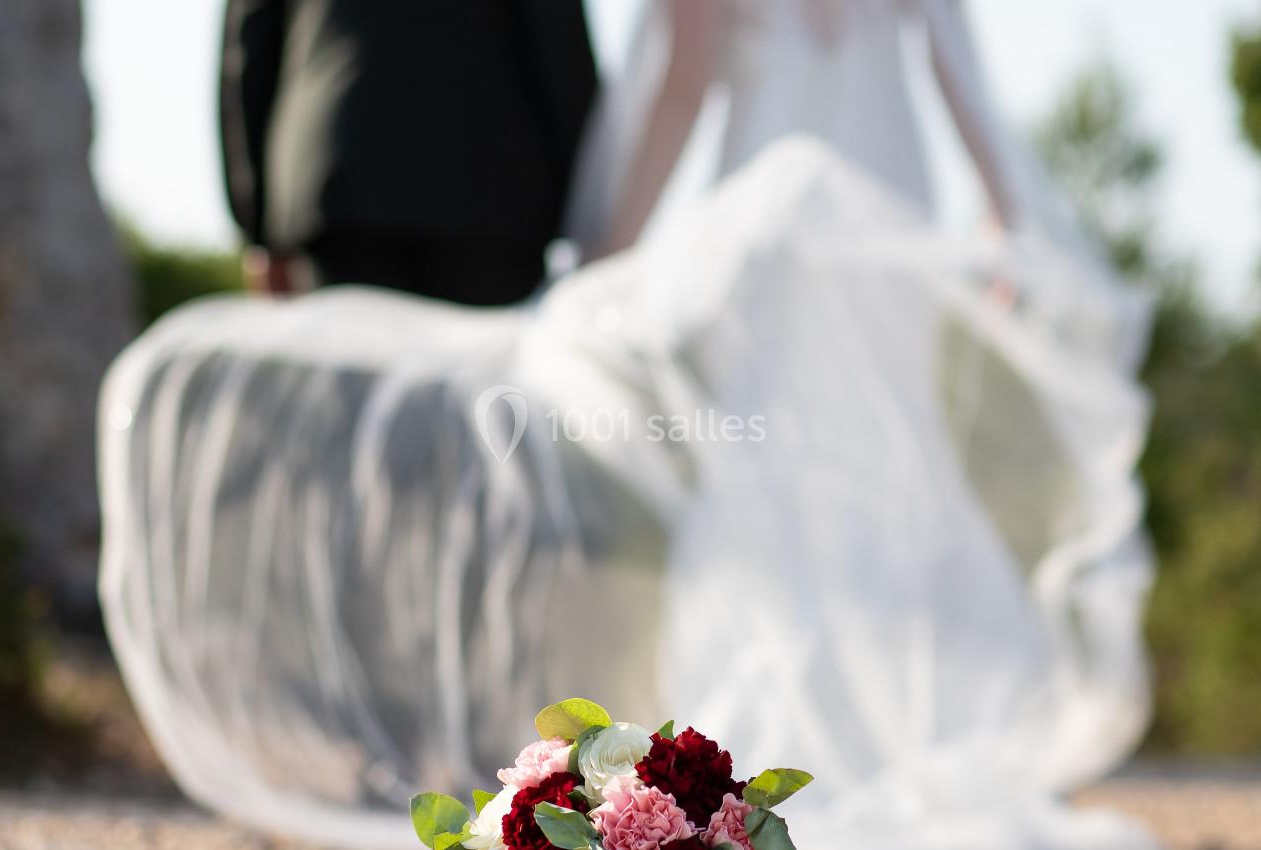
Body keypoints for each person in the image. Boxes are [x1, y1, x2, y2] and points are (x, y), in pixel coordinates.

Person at [99, 2, 1156, 848]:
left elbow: (684, 72)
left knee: (755, 489)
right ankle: (890, 751)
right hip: (884, 216)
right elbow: (954, 65)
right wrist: (1004, 222)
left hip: (757, 227)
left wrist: (607, 248)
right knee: (885, 481)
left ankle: (746, 768)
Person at [219, 0, 597, 304]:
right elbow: (559, 43)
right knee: (476, 391)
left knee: (350, 389)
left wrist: (258, 229)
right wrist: (594, 215)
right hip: (488, 188)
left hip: (336, 182)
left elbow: (250, 48)